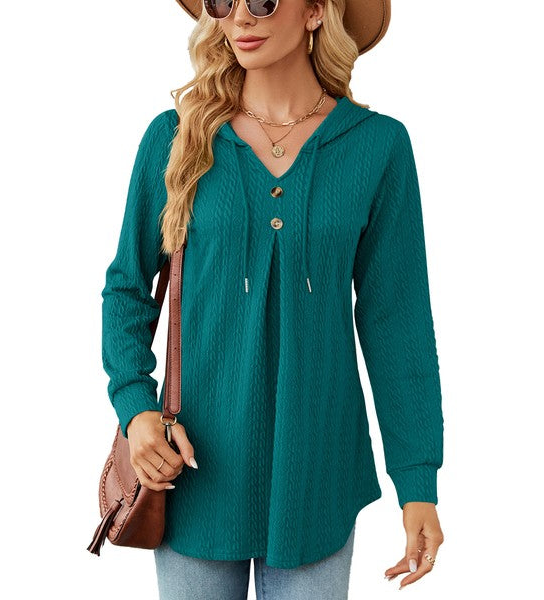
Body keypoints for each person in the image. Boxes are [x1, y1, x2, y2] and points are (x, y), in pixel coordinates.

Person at [100, 1, 445, 598]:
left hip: (318, 478)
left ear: (315, 11)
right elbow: (127, 291)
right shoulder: (175, 137)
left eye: (262, 0)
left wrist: (418, 484)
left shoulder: (377, 146)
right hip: (194, 475)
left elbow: (397, 323)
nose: (241, 17)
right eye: (222, 1)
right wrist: (136, 409)